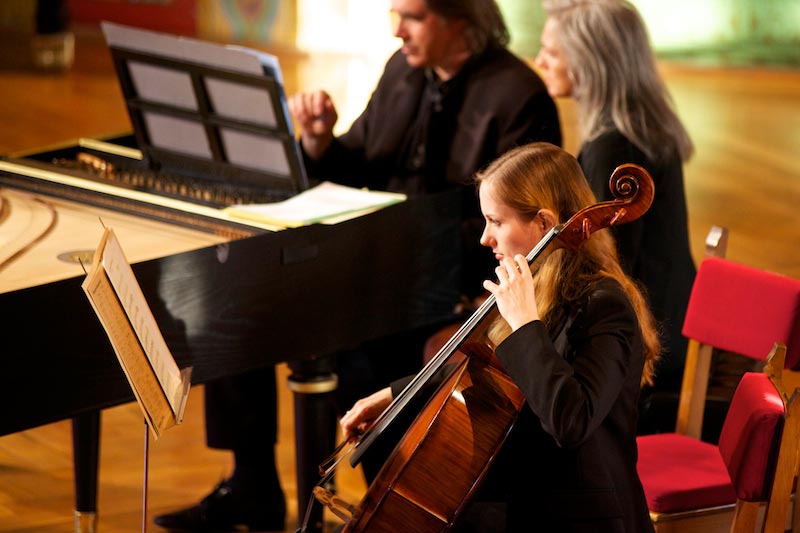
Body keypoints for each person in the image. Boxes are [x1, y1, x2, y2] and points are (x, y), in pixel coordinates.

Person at [155, 0, 561, 530]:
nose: (397, 30)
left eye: (413, 17)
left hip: (449, 288)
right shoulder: (402, 70)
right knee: (241, 308)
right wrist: (319, 139)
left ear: (461, 17)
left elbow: (520, 228)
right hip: (376, 270)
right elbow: (359, 157)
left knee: (357, 357)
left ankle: (384, 509)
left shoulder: (517, 95)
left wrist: (421, 263)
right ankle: (252, 483)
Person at [341, 142, 659, 532]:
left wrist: (525, 325)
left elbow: (571, 421)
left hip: (582, 517)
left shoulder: (603, 305)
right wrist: (393, 396)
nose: (485, 238)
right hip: (525, 499)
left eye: (496, 221)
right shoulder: (537, 286)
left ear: (544, 223)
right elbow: (492, 376)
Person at [533, 0, 696, 435]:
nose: (539, 60)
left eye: (551, 51)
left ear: (588, 61)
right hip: (676, 320)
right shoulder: (641, 127)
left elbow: (604, 264)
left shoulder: (615, 149)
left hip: (650, 349)